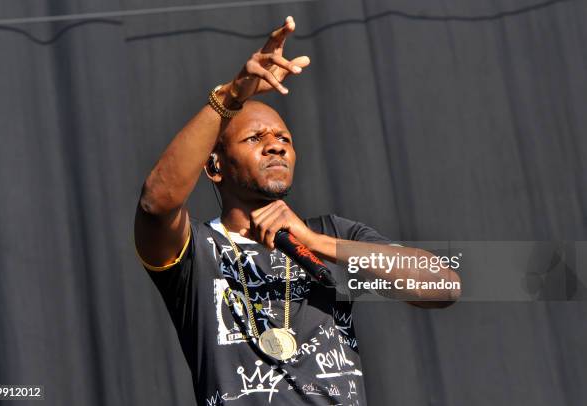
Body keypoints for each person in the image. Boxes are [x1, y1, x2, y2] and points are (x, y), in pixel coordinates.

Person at [134, 16, 461, 406]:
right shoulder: (198, 251)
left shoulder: (333, 233)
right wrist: (230, 96)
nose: (276, 146)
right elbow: (157, 203)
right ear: (214, 166)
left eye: (284, 138)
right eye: (256, 138)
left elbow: (443, 286)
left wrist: (314, 242)